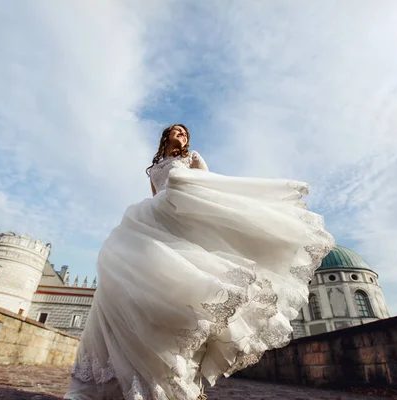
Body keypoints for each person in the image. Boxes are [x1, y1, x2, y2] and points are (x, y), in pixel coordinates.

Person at [64, 124, 334, 400]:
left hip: (186, 214)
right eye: (177, 131)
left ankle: (185, 380)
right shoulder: (154, 168)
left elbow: (211, 188)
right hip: (158, 221)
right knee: (132, 277)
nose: (181, 134)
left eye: (184, 132)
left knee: (195, 302)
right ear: (166, 136)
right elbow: (157, 196)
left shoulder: (191, 158)